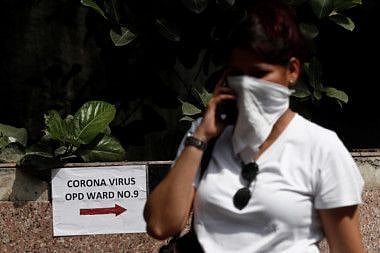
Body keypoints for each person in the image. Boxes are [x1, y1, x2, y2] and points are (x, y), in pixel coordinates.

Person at [143, 0, 365, 252]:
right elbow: (160, 225)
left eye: (259, 74)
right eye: (237, 74)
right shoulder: (206, 137)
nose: (247, 84)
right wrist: (201, 135)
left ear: (292, 70)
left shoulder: (321, 148)